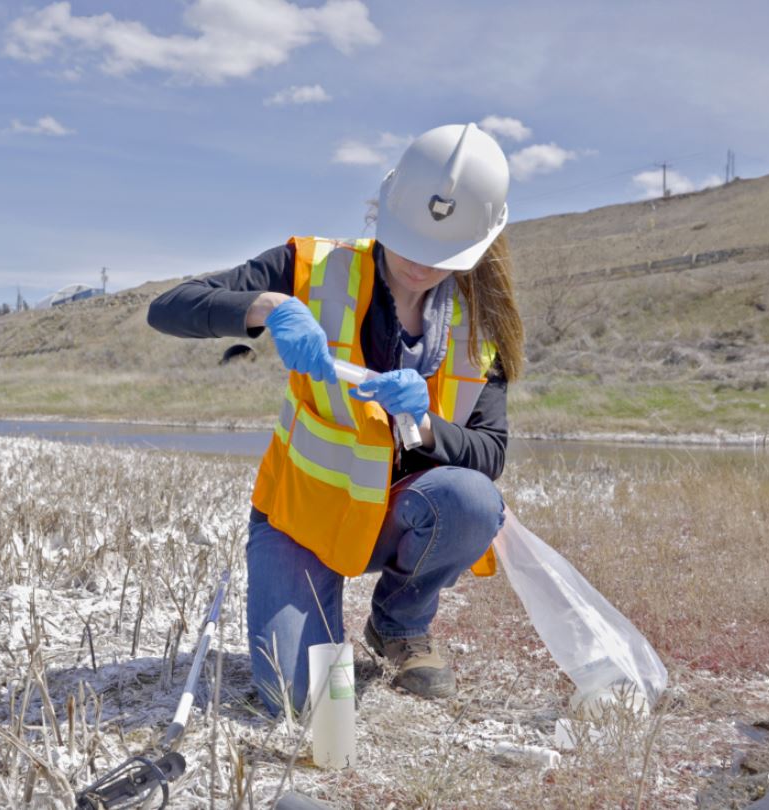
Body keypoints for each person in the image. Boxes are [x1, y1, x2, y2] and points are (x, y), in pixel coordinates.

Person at [146, 123, 526, 717]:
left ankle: (398, 624)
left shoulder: (481, 327)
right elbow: (167, 308)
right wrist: (270, 308)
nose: (421, 267)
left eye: (440, 255)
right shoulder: (311, 266)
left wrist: (425, 425)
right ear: (385, 210)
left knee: (472, 499)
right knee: (303, 703)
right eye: (409, 245)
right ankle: (318, 636)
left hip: (395, 519)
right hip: (303, 516)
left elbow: (490, 453)